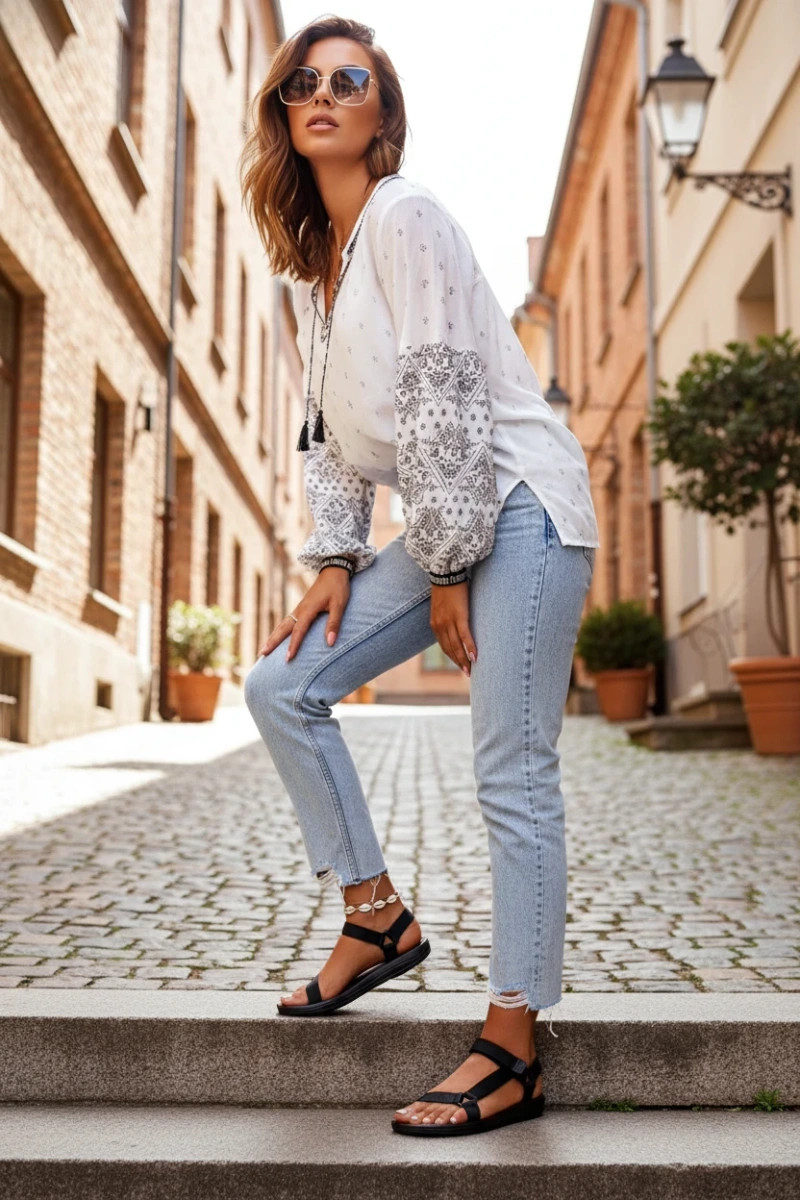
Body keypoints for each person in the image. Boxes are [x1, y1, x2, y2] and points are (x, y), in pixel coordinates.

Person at [240, 15, 599, 1137]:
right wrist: (335, 558)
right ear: (283, 113)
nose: (323, 93)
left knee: (510, 769)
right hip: (457, 516)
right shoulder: (322, 271)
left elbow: (443, 394)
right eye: (303, 81)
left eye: (349, 80)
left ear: (382, 114)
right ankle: (377, 918)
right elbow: (331, 440)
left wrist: (446, 563)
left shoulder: (407, 214)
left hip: (522, 504)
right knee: (281, 684)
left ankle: (512, 1046)